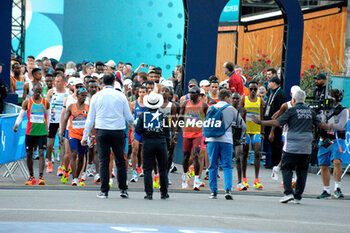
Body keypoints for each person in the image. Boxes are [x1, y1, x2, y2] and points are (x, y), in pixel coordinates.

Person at [252, 90, 321, 204]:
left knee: (287, 168)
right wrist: (331, 127)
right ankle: (298, 196)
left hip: (292, 145)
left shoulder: (291, 111)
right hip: (306, 146)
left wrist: (260, 122)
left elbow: (276, 122)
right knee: (302, 171)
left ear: (293, 100)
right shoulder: (311, 112)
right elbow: (320, 124)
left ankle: (288, 193)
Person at [82, 72, 134, 199]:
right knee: (121, 161)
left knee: (103, 161)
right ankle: (123, 190)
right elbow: (129, 118)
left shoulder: (96, 96)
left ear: (102, 82)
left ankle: (104, 191)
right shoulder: (121, 96)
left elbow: (90, 119)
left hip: (102, 131)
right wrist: (135, 126)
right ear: (114, 81)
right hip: (118, 131)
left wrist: (84, 136)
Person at [206, 89, 246, 199]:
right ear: (227, 97)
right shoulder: (232, 109)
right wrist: (240, 136)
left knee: (212, 166)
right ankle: (227, 190)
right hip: (226, 141)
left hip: (212, 140)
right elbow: (243, 126)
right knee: (227, 166)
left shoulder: (211, 108)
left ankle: (213, 191)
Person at [13, 83, 50, 185]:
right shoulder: (27, 102)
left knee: (42, 153)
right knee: (29, 154)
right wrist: (16, 124)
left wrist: (48, 128)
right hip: (30, 132)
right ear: (32, 90)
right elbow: (21, 115)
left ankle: (41, 177)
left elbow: (48, 116)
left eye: (40, 91)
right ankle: (31, 177)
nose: (38, 93)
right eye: (36, 91)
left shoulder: (45, 102)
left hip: (42, 131)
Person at [136, 92, 170, 200]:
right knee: (163, 169)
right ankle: (164, 193)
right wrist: (167, 147)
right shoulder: (163, 116)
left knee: (147, 169)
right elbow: (167, 133)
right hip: (161, 142)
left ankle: (149, 193)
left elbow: (138, 130)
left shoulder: (143, 116)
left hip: (148, 142)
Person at [317, 89, 348, 199]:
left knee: (337, 162)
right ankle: (326, 189)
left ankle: (337, 187)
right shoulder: (323, 109)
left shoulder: (343, 110)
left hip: (337, 139)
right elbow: (319, 120)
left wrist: (329, 126)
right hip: (324, 139)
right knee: (323, 165)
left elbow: (341, 125)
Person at [175, 86, 208, 190]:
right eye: (190, 93)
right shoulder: (185, 103)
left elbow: (207, 120)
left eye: (193, 93)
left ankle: (197, 180)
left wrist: (206, 133)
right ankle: (185, 176)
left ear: (198, 95)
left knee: (196, 155)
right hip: (187, 133)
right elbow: (180, 117)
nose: (191, 95)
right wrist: (176, 132)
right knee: (186, 156)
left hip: (198, 133)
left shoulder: (204, 105)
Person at [60, 87, 89, 186]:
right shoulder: (71, 107)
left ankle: (78, 175)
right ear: (77, 96)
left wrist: (91, 134)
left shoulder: (87, 107)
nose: (84, 98)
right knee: (74, 153)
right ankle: (74, 178)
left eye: (85, 96)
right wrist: (61, 133)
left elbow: (91, 121)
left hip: (83, 135)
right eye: (82, 95)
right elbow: (65, 120)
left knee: (81, 156)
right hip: (73, 134)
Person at [241, 81, 265, 189]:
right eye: (251, 89)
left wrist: (262, 132)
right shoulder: (244, 99)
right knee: (245, 153)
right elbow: (240, 116)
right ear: (249, 90)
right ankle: (244, 178)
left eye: (255, 89)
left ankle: (256, 179)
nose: (253, 91)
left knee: (257, 152)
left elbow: (262, 116)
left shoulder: (260, 101)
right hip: (246, 131)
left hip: (256, 131)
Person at [45, 72, 69, 174]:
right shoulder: (51, 91)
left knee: (62, 143)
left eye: (58, 81)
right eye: (55, 81)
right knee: (50, 144)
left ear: (63, 82)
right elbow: (45, 104)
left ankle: (61, 166)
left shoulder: (68, 93)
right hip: (52, 121)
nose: (56, 83)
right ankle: (49, 162)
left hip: (63, 121)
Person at [263, 77, 286, 168]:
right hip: (268, 120)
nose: (269, 84)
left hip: (275, 122)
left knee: (276, 143)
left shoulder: (280, 94)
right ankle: (273, 162)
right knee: (271, 143)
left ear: (274, 83)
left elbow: (281, 110)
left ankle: (277, 163)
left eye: (270, 82)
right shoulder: (271, 93)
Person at [130, 86, 148, 182]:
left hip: (145, 131)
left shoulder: (148, 104)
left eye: (143, 92)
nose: (141, 94)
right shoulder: (133, 104)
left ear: (146, 93)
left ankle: (140, 168)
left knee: (143, 151)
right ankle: (134, 172)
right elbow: (131, 119)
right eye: (140, 92)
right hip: (137, 130)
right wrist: (132, 131)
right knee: (134, 150)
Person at [231, 92, 247, 191]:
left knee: (238, 158)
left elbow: (244, 124)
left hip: (238, 137)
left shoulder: (243, 110)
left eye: (238, 99)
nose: (236, 100)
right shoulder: (228, 109)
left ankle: (240, 182)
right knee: (226, 159)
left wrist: (244, 137)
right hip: (229, 136)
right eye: (234, 98)